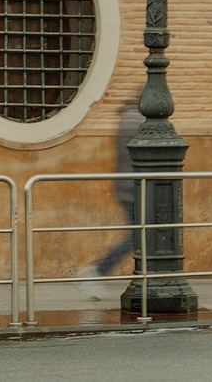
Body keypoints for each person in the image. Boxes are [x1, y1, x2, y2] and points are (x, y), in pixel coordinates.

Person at [83, 100, 144, 285]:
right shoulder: (137, 121)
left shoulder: (127, 119)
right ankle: (97, 270)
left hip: (127, 187)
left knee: (142, 236)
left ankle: (144, 276)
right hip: (133, 189)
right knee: (138, 237)